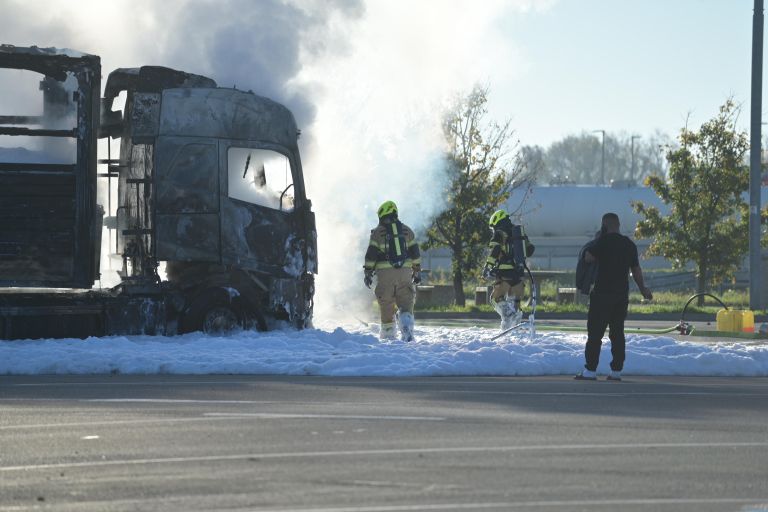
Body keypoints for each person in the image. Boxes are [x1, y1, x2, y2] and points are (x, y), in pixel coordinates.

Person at [575, 212, 653, 381]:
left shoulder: (602, 242)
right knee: (617, 333)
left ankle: (590, 370)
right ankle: (616, 371)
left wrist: (597, 240)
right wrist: (643, 289)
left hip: (602, 294)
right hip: (621, 295)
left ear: (604, 226)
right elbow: (636, 270)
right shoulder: (629, 245)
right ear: (618, 225)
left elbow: (588, 258)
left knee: (595, 334)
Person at [363, 200, 422, 341]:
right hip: (405, 274)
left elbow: (371, 255)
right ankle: (406, 325)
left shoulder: (377, 233)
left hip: (385, 276)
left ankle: (388, 334)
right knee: (406, 302)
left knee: (386, 304)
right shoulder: (407, 231)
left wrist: (368, 272)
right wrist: (417, 271)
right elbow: (416, 254)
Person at [483, 209, 535, 331]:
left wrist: (488, 266)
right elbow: (530, 250)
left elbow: (495, 250)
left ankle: (509, 316)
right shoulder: (519, 233)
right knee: (513, 300)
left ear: (497, 221)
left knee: (495, 299)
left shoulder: (499, 233)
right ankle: (512, 326)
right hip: (519, 273)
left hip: (504, 273)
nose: (493, 230)